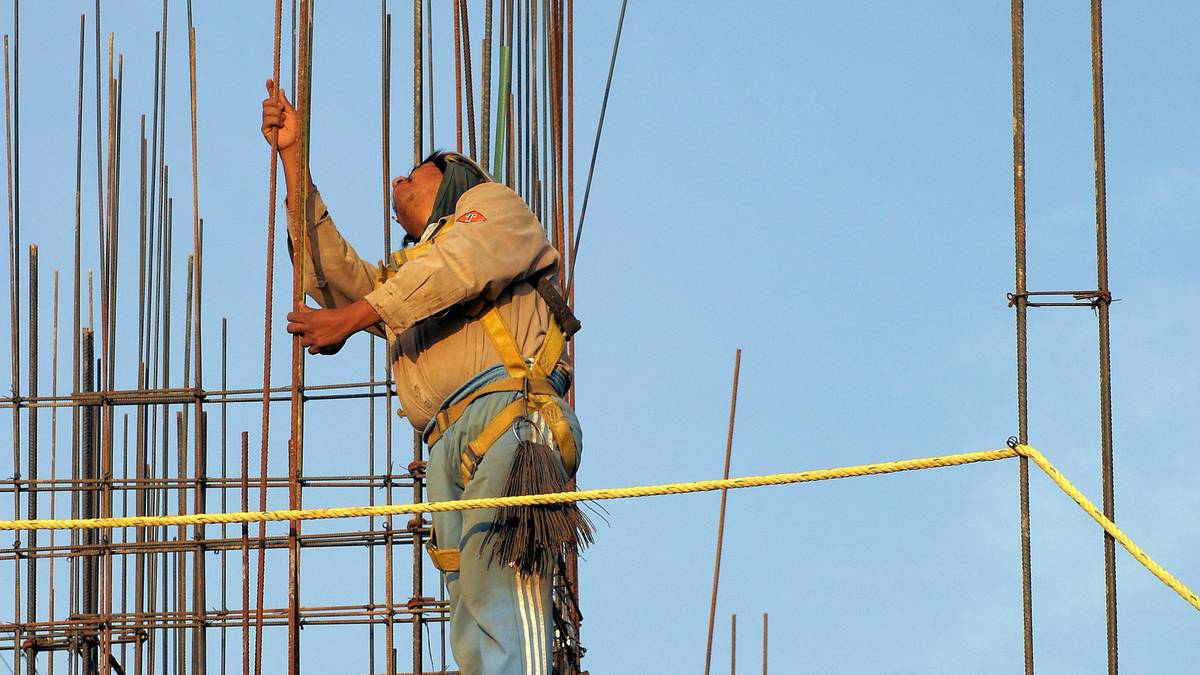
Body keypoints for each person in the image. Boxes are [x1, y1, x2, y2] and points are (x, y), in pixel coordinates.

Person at [261, 79, 588, 675]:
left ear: (456, 183)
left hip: (510, 415)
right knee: (468, 603)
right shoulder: (406, 278)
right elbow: (337, 280)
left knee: (503, 583)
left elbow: (451, 268)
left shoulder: (497, 213)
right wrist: (293, 159)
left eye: (414, 173)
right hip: (448, 442)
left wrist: (357, 316)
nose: (397, 183)